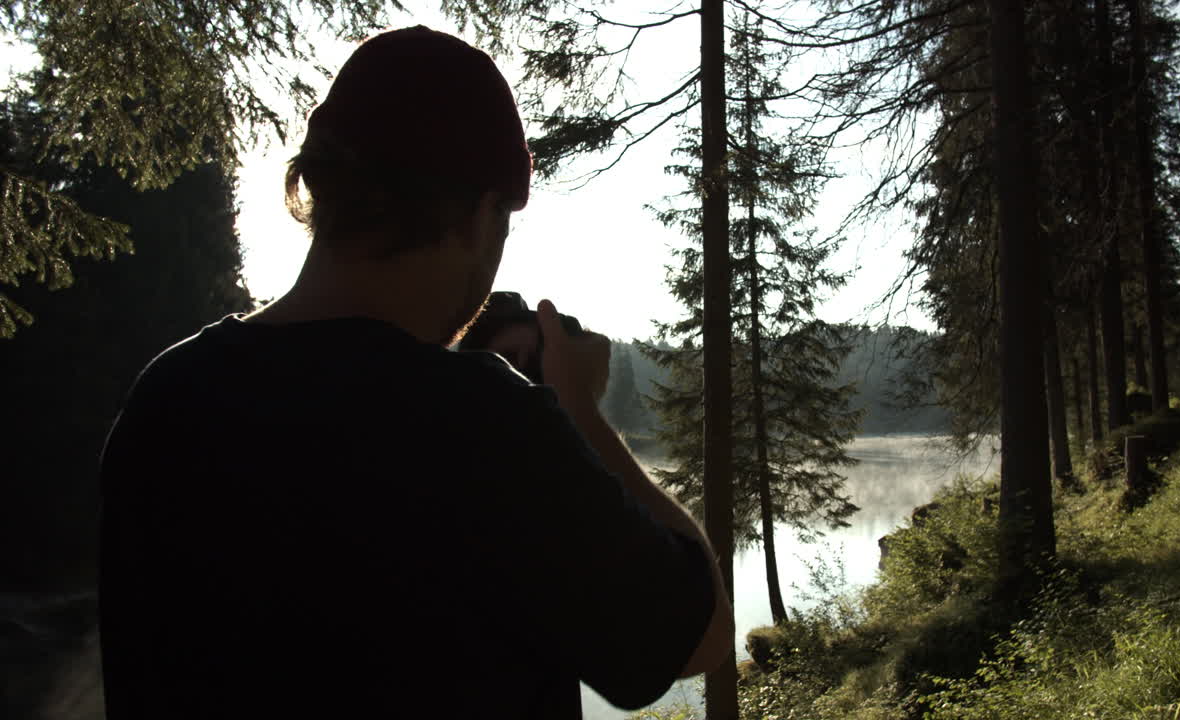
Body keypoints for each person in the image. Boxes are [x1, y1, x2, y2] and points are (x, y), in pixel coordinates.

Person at [97, 25, 732, 720]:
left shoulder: (169, 397)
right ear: (482, 212)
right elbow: (698, 640)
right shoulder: (482, 427)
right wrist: (578, 411)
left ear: (321, 188)